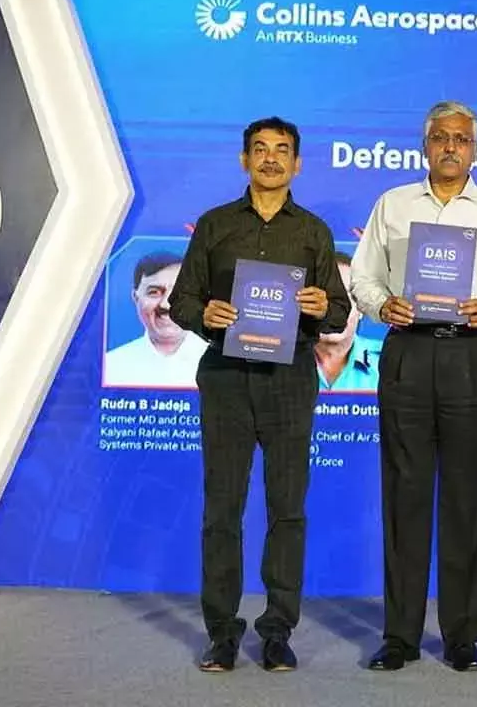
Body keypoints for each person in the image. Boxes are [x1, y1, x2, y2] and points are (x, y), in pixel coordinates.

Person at [350, 100, 477, 673]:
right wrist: (384, 303)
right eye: (440, 137)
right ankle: (401, 636)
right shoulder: (393, 204)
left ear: (475, 149)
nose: (450, 146)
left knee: (466, 498)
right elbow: (362, 277)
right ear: (425, 146)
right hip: (408, 352)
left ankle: (462, 635)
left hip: (470, 356)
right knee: (404, 497)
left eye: (461, 138)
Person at [168, 116, 350, 673]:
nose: (271, 159)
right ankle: (222, 631)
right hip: (225, 377)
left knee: (287, 510)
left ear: (297, 164)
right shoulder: (215, 226)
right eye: (260, 150)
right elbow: (181, 301)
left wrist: (323, 309)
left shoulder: (313, 232)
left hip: (290, 379)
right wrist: (205, 314)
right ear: (244, 160)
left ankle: (277, 630)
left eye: (283, 151)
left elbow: (340, 311)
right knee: (222, 511)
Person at [103, 251, 207, 388]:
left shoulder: (221, 365)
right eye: (154, 292)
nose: (166, 304)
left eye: (179, 293)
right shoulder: (112, 365)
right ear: (135, 297)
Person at [315, 252, 382, 392]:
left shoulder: (390, 364)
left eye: (345, 298)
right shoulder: (280, 365)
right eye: (324, 296)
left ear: (362, 309)